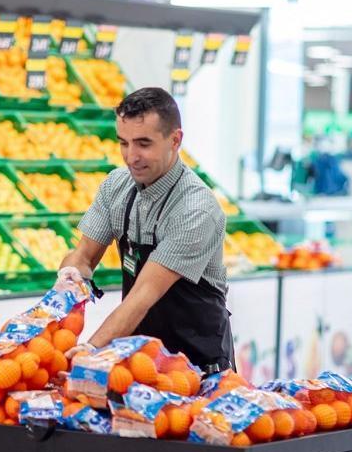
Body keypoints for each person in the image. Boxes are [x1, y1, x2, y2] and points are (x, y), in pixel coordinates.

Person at [57, 87, 233, 374]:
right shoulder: (117, 186)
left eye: (143, 143)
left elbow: (143, 296)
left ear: (175, 140)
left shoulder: (195, 209)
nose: (131, 156)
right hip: (139, 362)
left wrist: (90, 350)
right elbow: (84, 257)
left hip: (195, 368)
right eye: (123, 143)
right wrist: (65, 286)